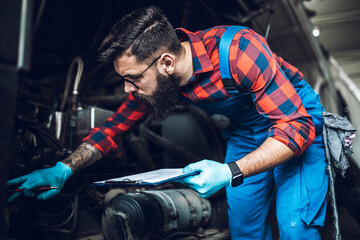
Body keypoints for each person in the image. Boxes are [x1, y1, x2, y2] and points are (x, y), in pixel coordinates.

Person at [7, 6, 328, 239]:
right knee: (244, 229)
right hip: (246, 133)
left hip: (296, 121)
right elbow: (114, 128)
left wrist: (230, 170)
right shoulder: (160, 81)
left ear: (166, 62)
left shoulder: (239, 51)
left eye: (132, 79)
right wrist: (63, 169)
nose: (127, 89)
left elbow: (295, 128)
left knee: (295, 228)